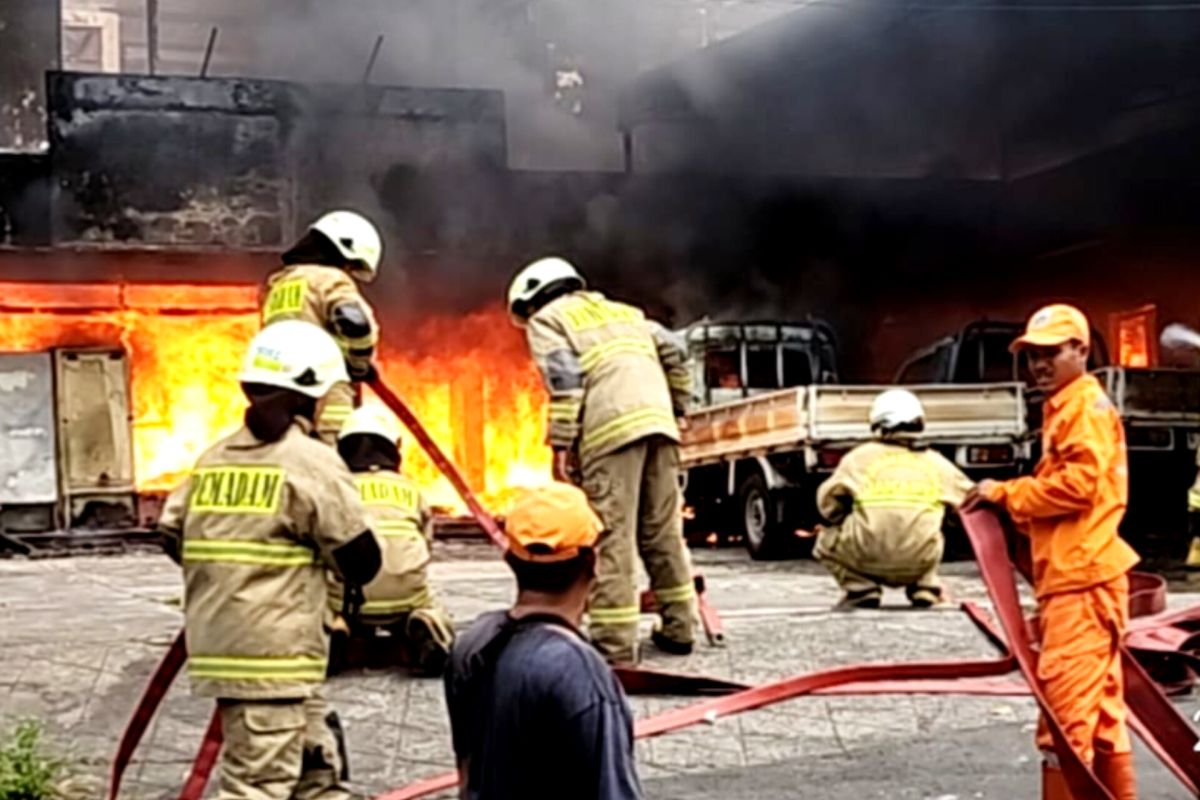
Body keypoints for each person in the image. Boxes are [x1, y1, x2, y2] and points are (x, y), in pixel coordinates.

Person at [157, 320, 382, 800]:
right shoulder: (309, 461)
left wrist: (229, 579)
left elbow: (172, 532)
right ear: (310, 396)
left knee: (317, 773)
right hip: (275, 657)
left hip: (240, 651)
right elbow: (361, 560)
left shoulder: (214, 459)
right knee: (257, 786)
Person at [972, 303, 1140, 800]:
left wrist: (1006, 493)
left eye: (1050, 353)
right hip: (1087, 577)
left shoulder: (1081, 408)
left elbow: (1079, 487)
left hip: (1081, 583)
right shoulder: (1073, 406)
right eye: (1031, 357)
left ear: (1081, 350)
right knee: (1103, 718)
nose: (1039, 365)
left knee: (1063, 727)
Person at [507, 256, 697, 664]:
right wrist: (679, 405)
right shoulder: (628, 313)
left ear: (531, 300)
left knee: (611, 538)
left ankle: (613, 646)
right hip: (660, 426)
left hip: (610, 432)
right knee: (663, 533)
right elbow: (677, 350)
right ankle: (681, 627)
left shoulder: (548, 319)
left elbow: (565, 379)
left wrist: (561, 443)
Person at [444, 483, 643, 800]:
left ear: (510, 559)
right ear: (593, 563)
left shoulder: (472, 644)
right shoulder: (580, 674)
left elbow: (466, 773)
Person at [814, 388, 974, 609]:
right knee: (929, 529)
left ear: (877, 423)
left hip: (865, 556)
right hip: (918, 561)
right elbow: (972, 501)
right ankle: (925, 589)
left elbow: (827, 505)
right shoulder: (937, 463)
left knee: (823, 542)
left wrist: (845, 517)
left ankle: (861, 590)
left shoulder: (857, 458)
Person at [328, 404, 455, 675]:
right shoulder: (410, 490)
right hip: (405, 597)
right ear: (393, 448)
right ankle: (426, 621)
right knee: (430, 603)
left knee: (317, 597)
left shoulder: (337, 490)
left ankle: (335, 626)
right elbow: (426, 545)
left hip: (350, 600)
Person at [260, 210, 383, 444]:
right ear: (345, 250)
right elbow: (354, 322)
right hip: (325, 388)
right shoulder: (327, 279)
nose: (348, 271)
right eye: (350, 265)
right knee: (331, 461)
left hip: (281, 393)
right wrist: (358, 364)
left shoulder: (277, 286)